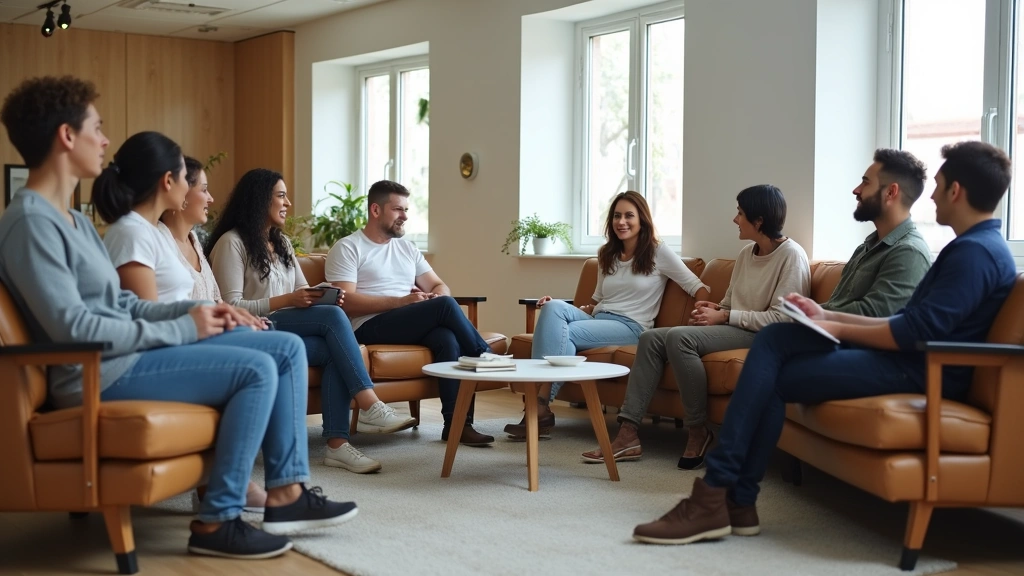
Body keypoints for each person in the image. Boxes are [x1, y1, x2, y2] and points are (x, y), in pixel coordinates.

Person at [0, 76, 357, 560]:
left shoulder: (73, 220)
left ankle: (286, 493)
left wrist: (196, 309)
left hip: (120, 359)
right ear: (67, 136)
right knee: (256, 367)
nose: (105, 141)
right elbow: (73, 330)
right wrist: (181, 327)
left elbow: (120, 306)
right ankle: (218, 521)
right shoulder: (30, 222)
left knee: (287, 348)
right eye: (96, 128)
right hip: (96, 374)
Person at [633, 141, 1017, 545]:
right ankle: (734, 501)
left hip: (920, 371)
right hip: (908, 361)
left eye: (939, 186)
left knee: (774, 347)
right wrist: (820, 314)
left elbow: (912, 330)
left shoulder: (973, 253)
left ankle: (717, 495)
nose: (933, 195)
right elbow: (914, 323)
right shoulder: (970, 248)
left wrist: (828, 323)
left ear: (956, 191)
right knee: (775, 356)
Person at [583, 185, 810, 469]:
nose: (735, 219)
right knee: (652, 338)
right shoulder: (745, 255)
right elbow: (728, 303)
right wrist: (713, 311)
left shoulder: (792, 256)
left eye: (740, 213)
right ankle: (628, 433)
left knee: (679, 338)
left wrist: (726, 317)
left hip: (765, 337)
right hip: (737, 328)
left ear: (759, 221)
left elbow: (785, 318)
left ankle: (698, 430)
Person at [207, 169, 414, 474]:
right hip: (252, 330)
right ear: (259, 199)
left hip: (284, 330)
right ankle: (369, 404)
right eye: (281, 195)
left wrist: (324, 295)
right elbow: (229, 305)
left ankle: (336, 446)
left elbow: (303, 292)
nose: (288, 202)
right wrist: (288, 301)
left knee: (333, 346)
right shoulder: (232, 243)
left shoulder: (283, 244)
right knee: (332, 317)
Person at [96, 154, 269, 512]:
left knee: (285, 346)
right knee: (265, 361)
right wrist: (195, 322)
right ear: (169, 182)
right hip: (133, 356)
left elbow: (141, 309)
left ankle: (278, 486)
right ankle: (232, 498)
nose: (208, 196)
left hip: (176, 336)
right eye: (200, 187)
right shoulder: (133, 233)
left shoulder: (162, 235)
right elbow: (136, 317)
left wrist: (214, 313)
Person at [504, 191, 711, 440]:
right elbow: (597, 299)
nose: (621, 221)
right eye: (616, 216)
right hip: (599, 318)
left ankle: (537, 406)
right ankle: (540, 407)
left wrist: (700, 315)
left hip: (632, 327)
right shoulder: (607, 253)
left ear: (642, 219)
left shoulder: (658, 252)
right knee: (552, 307)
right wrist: (578, 311)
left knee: (564, 334)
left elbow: (697, 286)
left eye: (629, 216)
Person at [324, 180, 496, 446]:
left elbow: (440, 285)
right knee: (446, 306)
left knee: (447, 337)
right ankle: (483, 355)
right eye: (398, 209)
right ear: (375, 210)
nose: (405, 216)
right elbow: (345, 303)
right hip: (367, 326)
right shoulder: (348, 247)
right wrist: (401, 302)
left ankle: (457, 425)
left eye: (406, 209)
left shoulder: (407, 248)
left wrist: (433, 296)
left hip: (405, 320)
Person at [822, 149, 932, 317]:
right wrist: (803, 311)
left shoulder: (909, 252)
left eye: (865, 183)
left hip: (853, 342)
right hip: (832, 337)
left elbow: (876, 315)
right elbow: (837, 305)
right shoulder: (864, 248)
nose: (856, 190)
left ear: (890, 192)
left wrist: (813, 314)